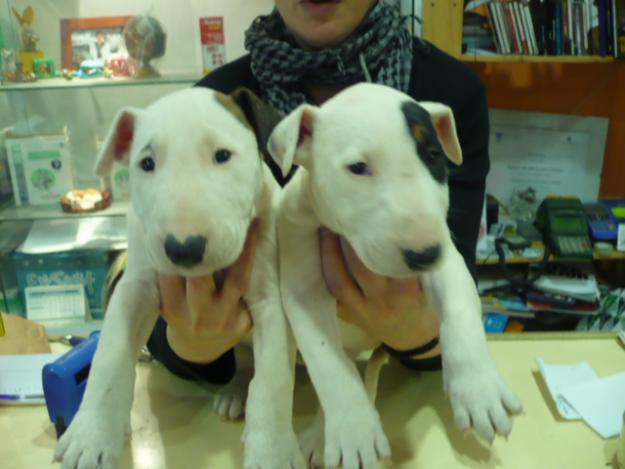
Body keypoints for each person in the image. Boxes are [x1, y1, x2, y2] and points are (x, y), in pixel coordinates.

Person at [146, 0, 489, 384]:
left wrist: (419, 335)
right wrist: (195, 345)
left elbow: (457, 281)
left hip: (397, 394)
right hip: (257, 398)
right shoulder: (217, 105)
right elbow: (159, 315)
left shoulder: (449, 92)